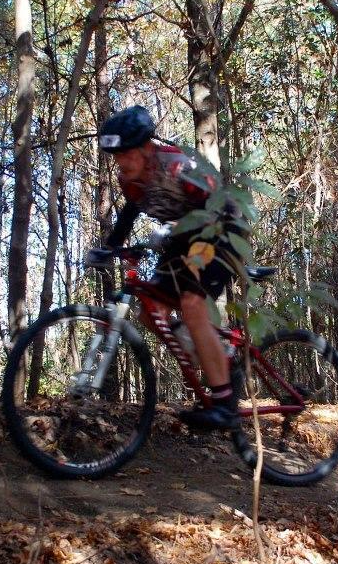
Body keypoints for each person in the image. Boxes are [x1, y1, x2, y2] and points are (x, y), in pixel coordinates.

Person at [87, 105, 244, 430]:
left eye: (126, 154)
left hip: (220, 230)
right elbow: (129, 213)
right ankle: (222, 359)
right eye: (115, 156)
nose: (120, 162)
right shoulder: (129, 179)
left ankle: (225, 404)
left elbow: (215, 206)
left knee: (191, 303)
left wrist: (175, 233)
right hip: (184, 237)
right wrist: (109, 248)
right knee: (151, 312)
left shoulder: (177, 165)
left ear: (146, 147)